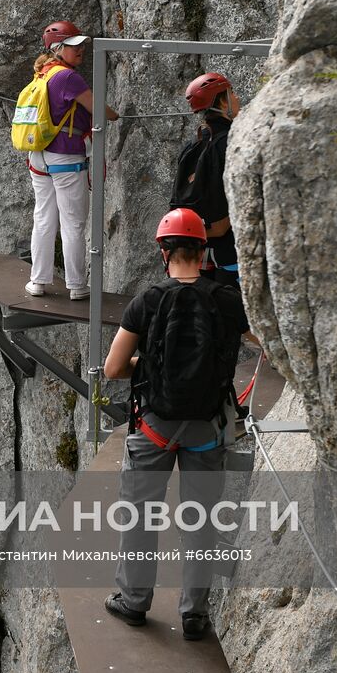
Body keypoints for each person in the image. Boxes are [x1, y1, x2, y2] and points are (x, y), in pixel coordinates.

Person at [101, 208, 250, 641]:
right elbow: (264, 341)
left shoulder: (147, 301)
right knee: (200, 521)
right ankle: (194, 615)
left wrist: (147, 365)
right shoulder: (226, 299)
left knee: (140, 517)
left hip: (154, 429)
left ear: (163, 251)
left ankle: (133, 602)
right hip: (207, 430)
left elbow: (112, 369)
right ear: (203, 250)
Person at [23, 21, 118, 300]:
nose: (81, 50)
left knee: (43, 218)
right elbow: (98, 109)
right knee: (73, 222)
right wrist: (115, 116)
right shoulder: (68, 78)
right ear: (57, 48)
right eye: (73, 45)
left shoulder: (42, 73)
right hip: (65, 157)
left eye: (81, 45)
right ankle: (76, 285)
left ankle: (37, 282)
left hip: (39, 156)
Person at [170, 72, 242, 288]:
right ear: (222, 101)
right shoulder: (232, 141)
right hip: (229, 252)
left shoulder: (195, 145)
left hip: (197, 250)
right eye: (231, 93)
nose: (237, 97)